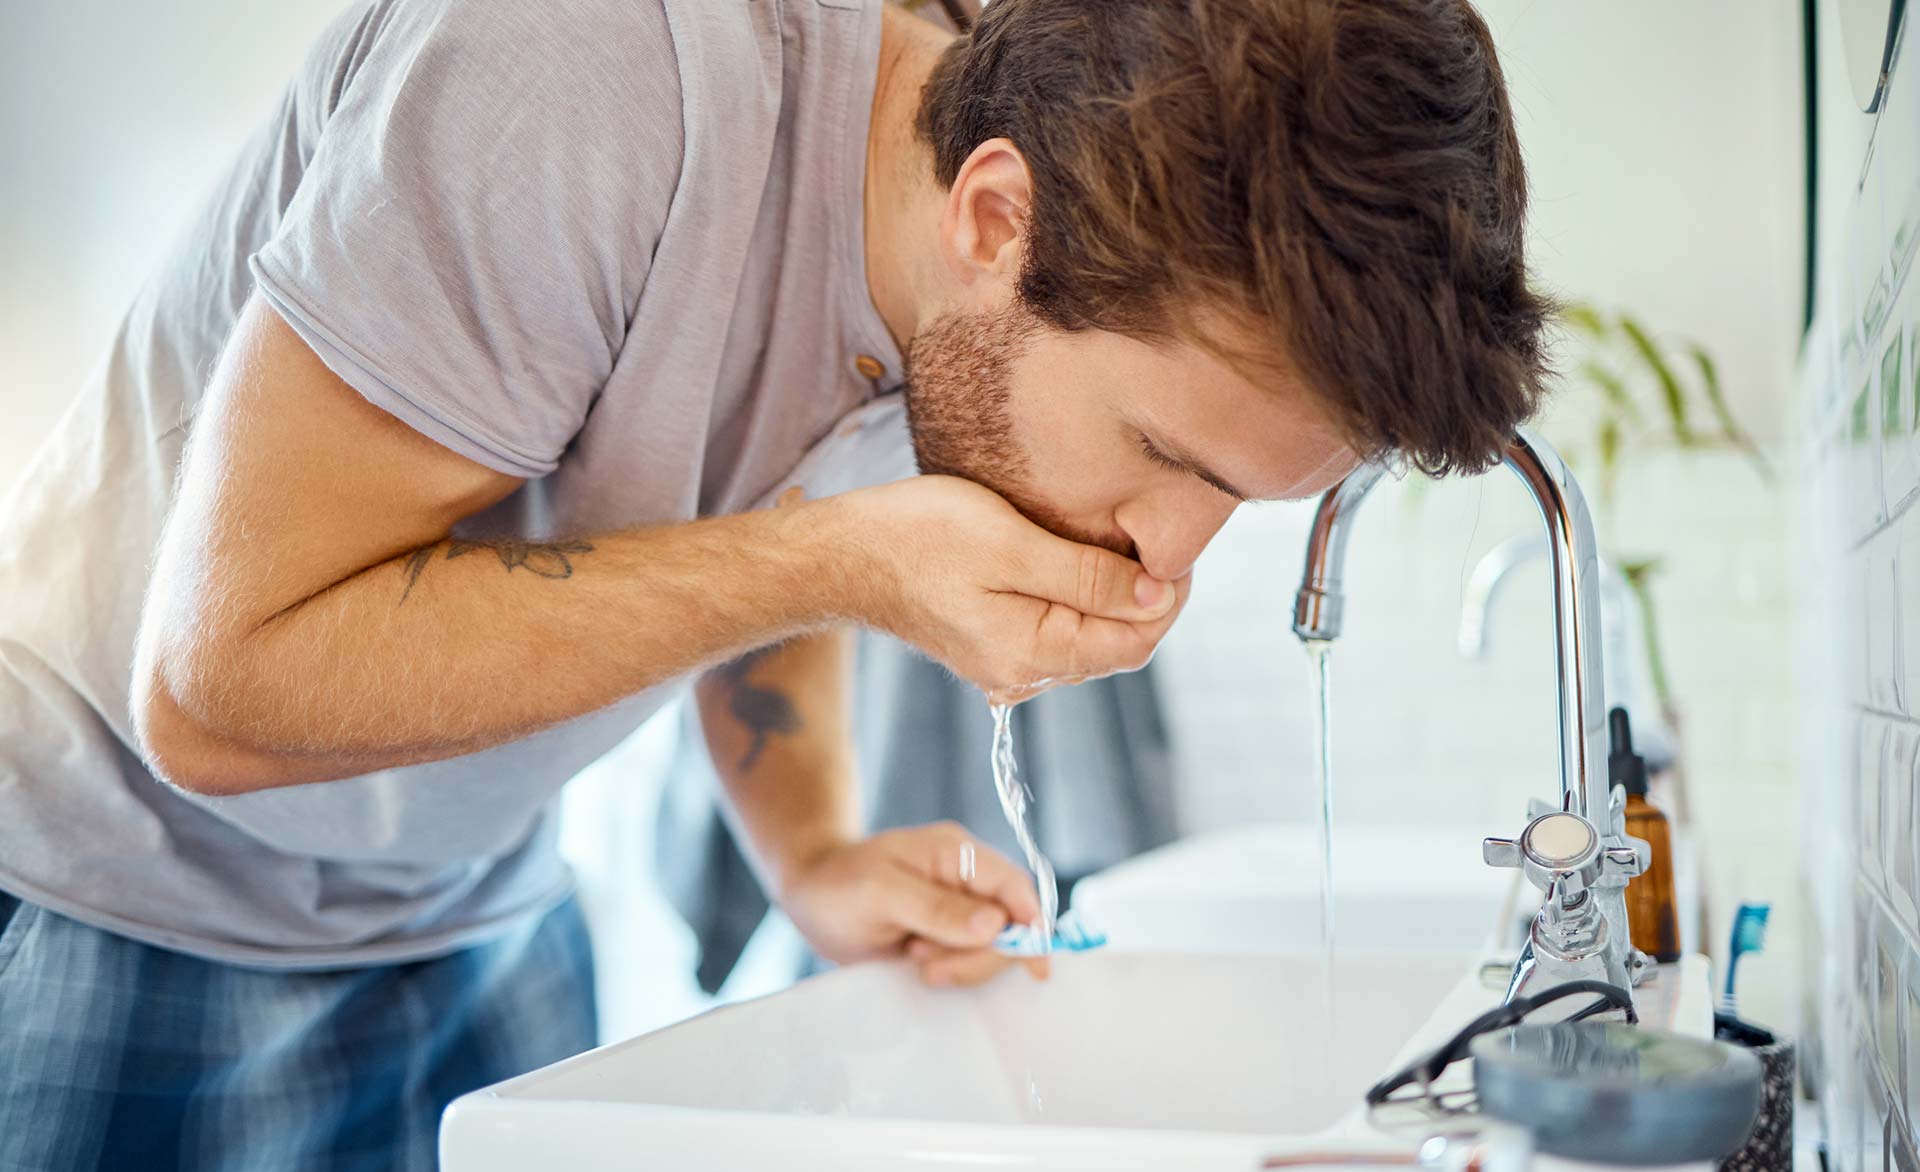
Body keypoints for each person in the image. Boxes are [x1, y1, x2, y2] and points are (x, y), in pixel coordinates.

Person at [0, 0, 1552, 1166]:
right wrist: (842, 565)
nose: (1171, 558)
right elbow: (218, 687)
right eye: (1171, 458)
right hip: (116, 897)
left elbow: (764, 474)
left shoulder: (945, 225)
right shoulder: (586, 69)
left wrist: (810, 846)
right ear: (994, 219)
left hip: (480, 914)